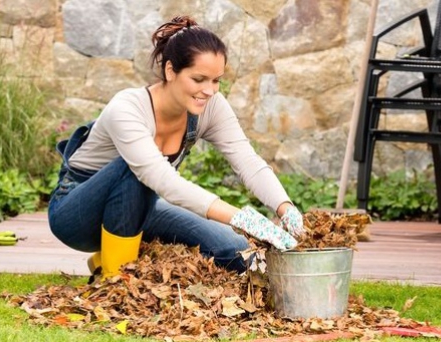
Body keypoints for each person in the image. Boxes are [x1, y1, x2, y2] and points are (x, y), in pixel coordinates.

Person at [48, 15, 304, 280]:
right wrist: (243, 219)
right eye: (199, 79)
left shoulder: (211, 107)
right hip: (77, 214)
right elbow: (161, 179)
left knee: (235, 251)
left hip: (143, 208)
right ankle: (115, 281)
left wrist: (285, 208)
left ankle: (123, 256)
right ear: (171, 70)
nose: (209, 90)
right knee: (134, 171)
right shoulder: (127, 108)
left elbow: (247, 161)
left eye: (216, 80)